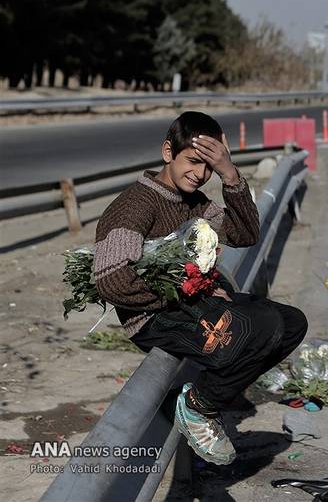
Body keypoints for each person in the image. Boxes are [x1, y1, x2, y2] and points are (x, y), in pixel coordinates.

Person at [93, 111, 308, 465]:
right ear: (168, 152)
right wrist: (187, 290)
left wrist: (230, 174)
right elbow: (112, 279)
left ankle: (201, 395)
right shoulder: (134, 206)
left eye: (208, 167)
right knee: (263, 328)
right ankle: (198, 406)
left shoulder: (194, 203)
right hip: (154, 318)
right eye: (193, 162)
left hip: (191, 304)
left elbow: (245, 235)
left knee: (291, 322)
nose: (199, 174)